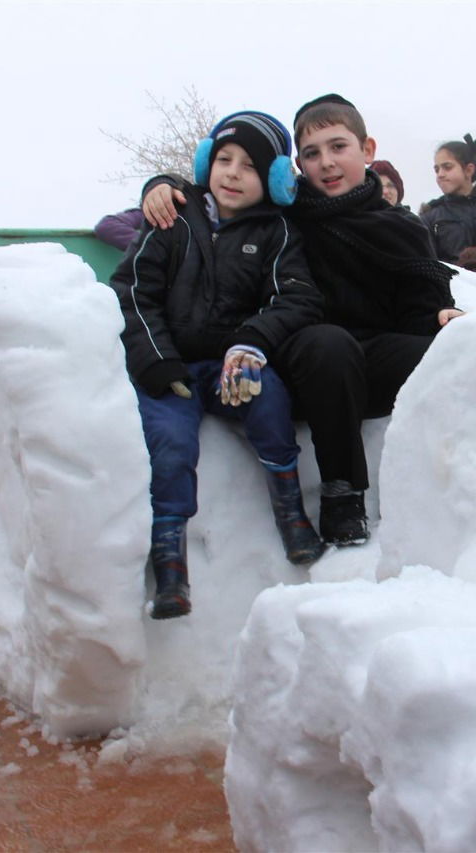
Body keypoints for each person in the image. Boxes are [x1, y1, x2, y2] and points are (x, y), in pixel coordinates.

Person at [140, 94, 460, 548]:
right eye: (311, 154)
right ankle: (342, 493)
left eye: (338, 147)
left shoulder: (403, 228)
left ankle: (444, 487)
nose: (326, 163)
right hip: (305, 362)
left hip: (368, 363)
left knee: (443, 352)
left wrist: (442, 316)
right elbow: (216, 197)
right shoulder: (286, 215)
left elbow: (418, 309)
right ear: (295, 167)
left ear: (367, 150)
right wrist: (161, 183)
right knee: (328, 344)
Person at [112, 110, 327, 619]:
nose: (233, 173)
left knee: (268, 400)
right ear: (207, 162)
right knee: (170, 442)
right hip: (172, 368)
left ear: (274, 179)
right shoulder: (170, 221)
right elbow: (134, 295)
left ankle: (291, 513)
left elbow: (295, 298)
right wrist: (159, 362)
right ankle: (170, 564)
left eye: (250, 167)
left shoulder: (277, 232)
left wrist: (251, 344)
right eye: (224, 160)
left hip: (234, 364)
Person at [419, 134, 476, 263]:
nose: (440, 174)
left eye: (447, 167)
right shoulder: (431, 217)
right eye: (437, 169)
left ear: (468, 170)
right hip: (452, 281)